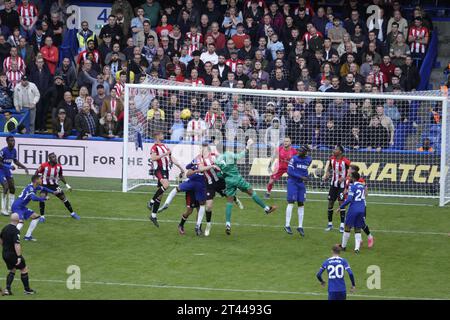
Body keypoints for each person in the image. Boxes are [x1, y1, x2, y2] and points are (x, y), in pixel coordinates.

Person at [216, 138, 277, 235]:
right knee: (252, 192)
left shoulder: (217, 160)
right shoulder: (229, 154)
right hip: (237, 179)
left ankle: (228, 223)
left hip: (228, 181)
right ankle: (266, 209)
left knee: (229, 202)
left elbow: (219, 175)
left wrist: (225, 174)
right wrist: (248, 146)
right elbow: (241, 155)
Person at [148, 132, 185, 227]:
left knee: (160, 195)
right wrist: (164, 154)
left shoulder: (165, 146)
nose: (163, 135)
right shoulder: (154, 147)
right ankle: (151, 202)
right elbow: (153, 158)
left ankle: (153, 216)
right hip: (158, 170)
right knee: (166, 185)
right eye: (161, 134)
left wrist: (181, 168)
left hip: (165, 171)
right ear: (157, 136)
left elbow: (171, 158)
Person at [35, 152, 80, 223]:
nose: (55, 158)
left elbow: (61, 176)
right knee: (42, 197)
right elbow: (37, 172)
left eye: (55, 157)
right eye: (53, 157)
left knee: (63, 198)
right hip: (44, 185)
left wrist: (67, 185)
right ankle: (42, 216)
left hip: (55, 185)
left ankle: (73, 213)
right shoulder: (44, 165)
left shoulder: (59, 166)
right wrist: (36, 182)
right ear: (49, 159)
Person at [0, 213, 36, 295]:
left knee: (12, 270)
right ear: (17, 220)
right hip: (13, 254)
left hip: (5, 253)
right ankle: (27, 290)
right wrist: (19, 256)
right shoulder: (15, 231)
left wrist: (5, 247)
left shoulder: (5, 228)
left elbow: (1, 239)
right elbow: (17, 244)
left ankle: (7, 290)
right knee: (24, 269)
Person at [11, 174, 53, 242]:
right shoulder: (31, 188)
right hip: (17, 207)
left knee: (36, 217)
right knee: (20, 222)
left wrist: (53, 192)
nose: (41, 180)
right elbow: (33, 198)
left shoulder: (35, 186)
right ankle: (11, 237)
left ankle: (27, 236)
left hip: (21, 207)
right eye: (40, 179)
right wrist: (44, 198)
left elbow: (44, 188)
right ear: (36, 180)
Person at [322, 144, 351, 233]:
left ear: (340, 152)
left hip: (342, 186)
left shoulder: (346, 161)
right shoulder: (332, 159)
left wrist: (344, 178)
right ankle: (330, 224)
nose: (334, 150)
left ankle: (342, 225)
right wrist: (326, 174)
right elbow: (329, 169)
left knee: (341, 204)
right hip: (333, 185)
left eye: (336, 149)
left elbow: (350, 174)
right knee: (330, 203)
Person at [344, 165, 374, 248]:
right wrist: (346, 194)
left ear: (353, 171)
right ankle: (359, 240)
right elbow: (346, 190)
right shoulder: (348, 180)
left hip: (361, 205)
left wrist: (358, 196)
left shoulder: (360, 180)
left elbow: (366, 193)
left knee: (361, 223)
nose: (348, 170)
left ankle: (370, 237)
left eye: (349, 169)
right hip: (352, 205)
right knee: (353, 222)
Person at [285, 145, 312, 237]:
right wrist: (301, 177)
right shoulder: (294, 159)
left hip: (301, 184)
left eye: (301, 150)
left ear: (305, 152)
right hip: (292, 182)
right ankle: (287, 225)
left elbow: (305, 169)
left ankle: (300, 226)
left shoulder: (309, 159)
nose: (298, 152)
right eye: (298, 150)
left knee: (301, 203)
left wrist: (307, 176)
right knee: (291, 202)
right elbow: (289, 171)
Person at [337, 171, 366, 253]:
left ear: (353, 178)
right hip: (362, 209)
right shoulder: (362, 186)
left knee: (347, 227)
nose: (349, 178)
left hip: (353, 209)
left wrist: (341, 207)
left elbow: (349, 199)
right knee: (357, 228)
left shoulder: (353, 186)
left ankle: (343, 246)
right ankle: (357, 249)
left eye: (350, 176)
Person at [0, 136, 30, 216]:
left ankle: (11, 208)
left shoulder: (14, 151)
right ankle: (3, 209)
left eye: (13, 140)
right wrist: (9, 166)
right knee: (6, 187)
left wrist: (24, 167)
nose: (13, 142)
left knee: (12, 188)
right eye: (11, 141)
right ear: (7, 142)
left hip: (7, 171)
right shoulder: (3, 151)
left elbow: (15, 161)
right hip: (1, 171)